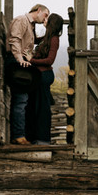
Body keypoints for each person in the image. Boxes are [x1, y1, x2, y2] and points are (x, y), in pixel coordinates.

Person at [6, 4, 50, 145]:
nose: (45, 18)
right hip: (17, 64)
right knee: (21, 100)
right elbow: (15, 40)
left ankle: (22, 134)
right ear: (38, 11)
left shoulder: (30, 26)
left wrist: (48, 30)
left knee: (24, 100)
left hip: (22, 64)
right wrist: (20, 60)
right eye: (45, 15)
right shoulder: (21, 20)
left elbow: (32, 41)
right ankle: (18, 135)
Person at [27, 13, 64, 145]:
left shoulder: (54, 39)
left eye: (48, 18)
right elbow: (34, 40)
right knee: (35, 106)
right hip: (39, 76)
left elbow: (49, 60)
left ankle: (43, 139)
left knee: (43, 108)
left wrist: (31, 61)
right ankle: (34, 137)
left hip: (44, 75)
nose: (45, 19)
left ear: (52, 22)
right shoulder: (46, 37)